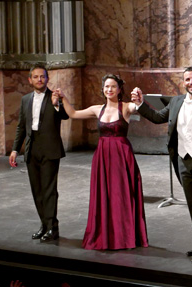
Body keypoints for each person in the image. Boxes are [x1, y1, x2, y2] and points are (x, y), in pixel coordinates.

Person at [131, 67, 192, 264]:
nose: (191, 82)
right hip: (183, 161)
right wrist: (141, 104)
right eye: (187, 79)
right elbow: (158, 117)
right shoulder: (176, 102)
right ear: (183, 82)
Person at [58, 74, 148, 250]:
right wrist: (63, 98)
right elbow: (73, 114)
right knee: (104, 195)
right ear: (103, 89)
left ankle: (124, 237)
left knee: (121, 195)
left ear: (119, 89)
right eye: (106, 86)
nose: (109, 90)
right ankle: (105, 235)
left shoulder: (126, 108)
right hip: (102, 156)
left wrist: (138, 99)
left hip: (122, 156)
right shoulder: (97, 109)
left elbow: (137, 107)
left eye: (113, 86)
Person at [9, 63, 69, 242]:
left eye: (42, 76)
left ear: (47, 79)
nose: (39, 79)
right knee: (37, 190)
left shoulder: (54, 97)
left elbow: (65, 116)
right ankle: (44, 225)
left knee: (49, 190)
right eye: (35, 77)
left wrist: (57, 104)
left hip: (50, 149)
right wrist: (14, 149)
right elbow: (21, 126)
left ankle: (52, 228)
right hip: (31, 148)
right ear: (30, 80)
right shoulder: (25, 99)